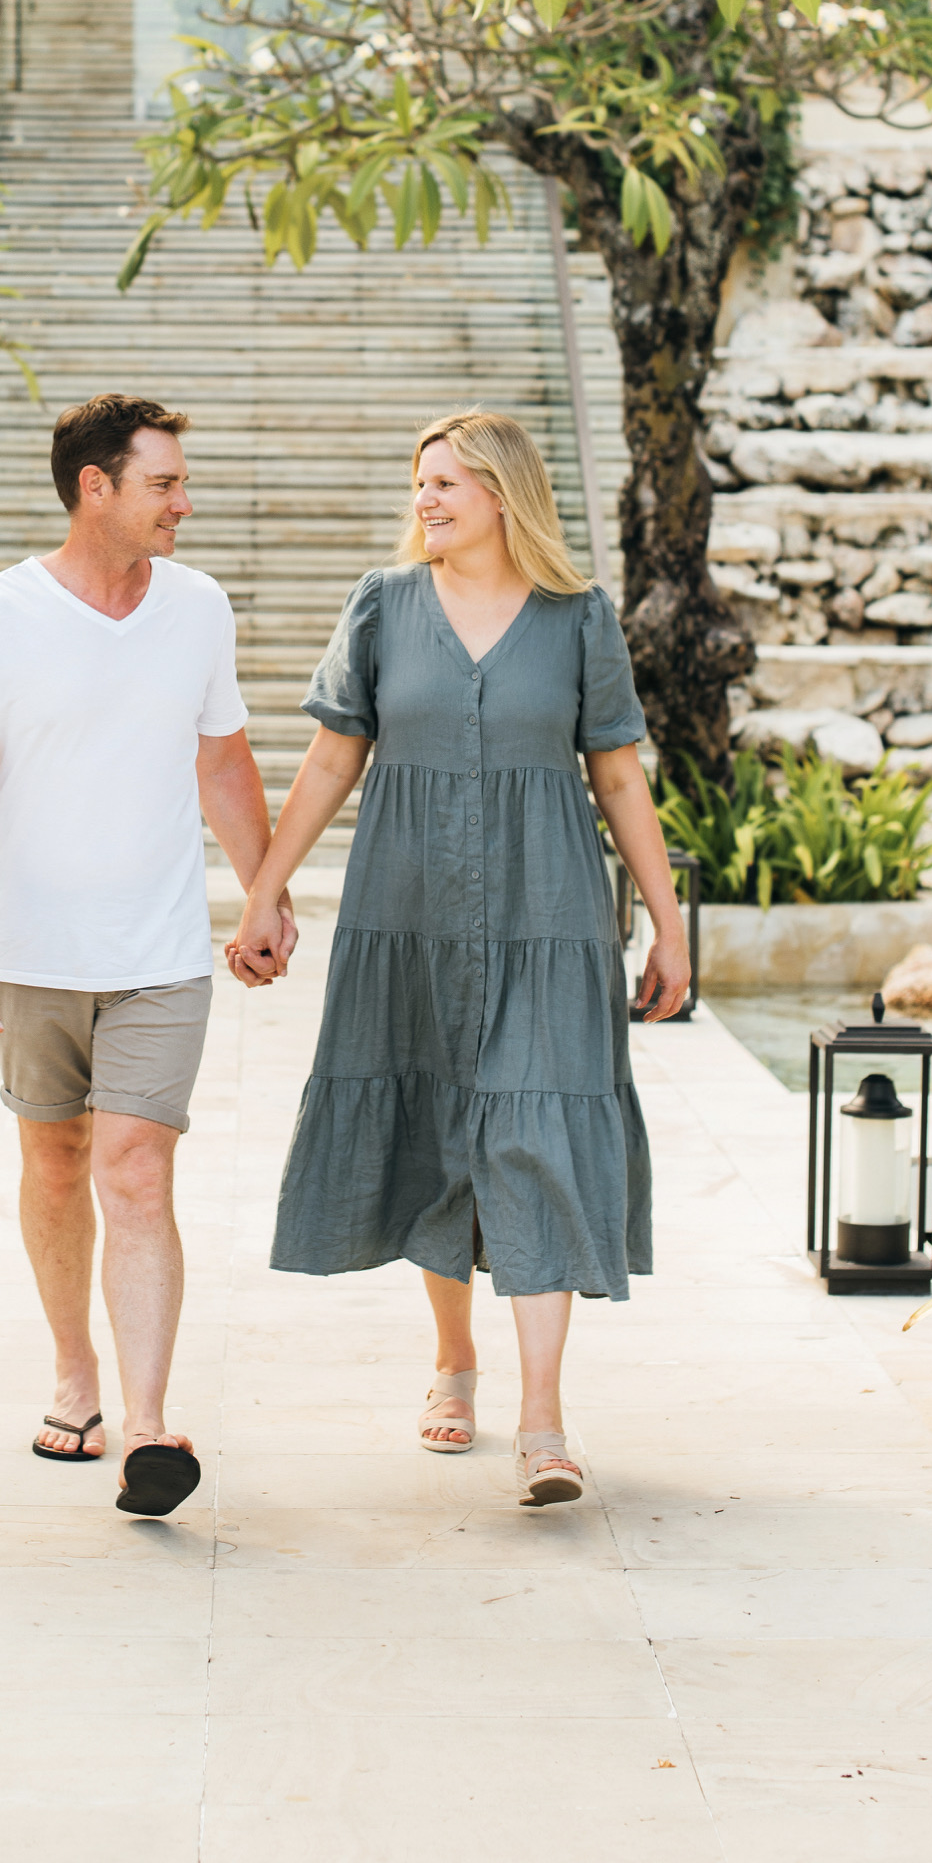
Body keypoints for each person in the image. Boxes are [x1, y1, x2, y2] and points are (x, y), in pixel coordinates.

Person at [228, 410, 689, 1508]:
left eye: (445, 482)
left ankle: (543, 1419)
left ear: (502, 492)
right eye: (420, 481)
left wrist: (667, 924)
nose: (424, 499)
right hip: (409, 905)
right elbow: (332, 757)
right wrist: (264, 888)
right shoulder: (382, 606)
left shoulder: (579, 617)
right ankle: (452, 1359)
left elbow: (619, 776)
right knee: (434, 1123)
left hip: (549, 913)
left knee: (538, 1132)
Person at [0, 392, 293, 1518]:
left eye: (181, 482)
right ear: (96, 487)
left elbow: (222, 761)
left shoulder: (197, 607)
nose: (184, 502)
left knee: (134, 1168)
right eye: (163, 483)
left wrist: (263, 893)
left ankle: (148, 1424)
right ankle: (73, 1371)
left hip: (159, 953)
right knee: (55, 1164)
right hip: (32, 955)